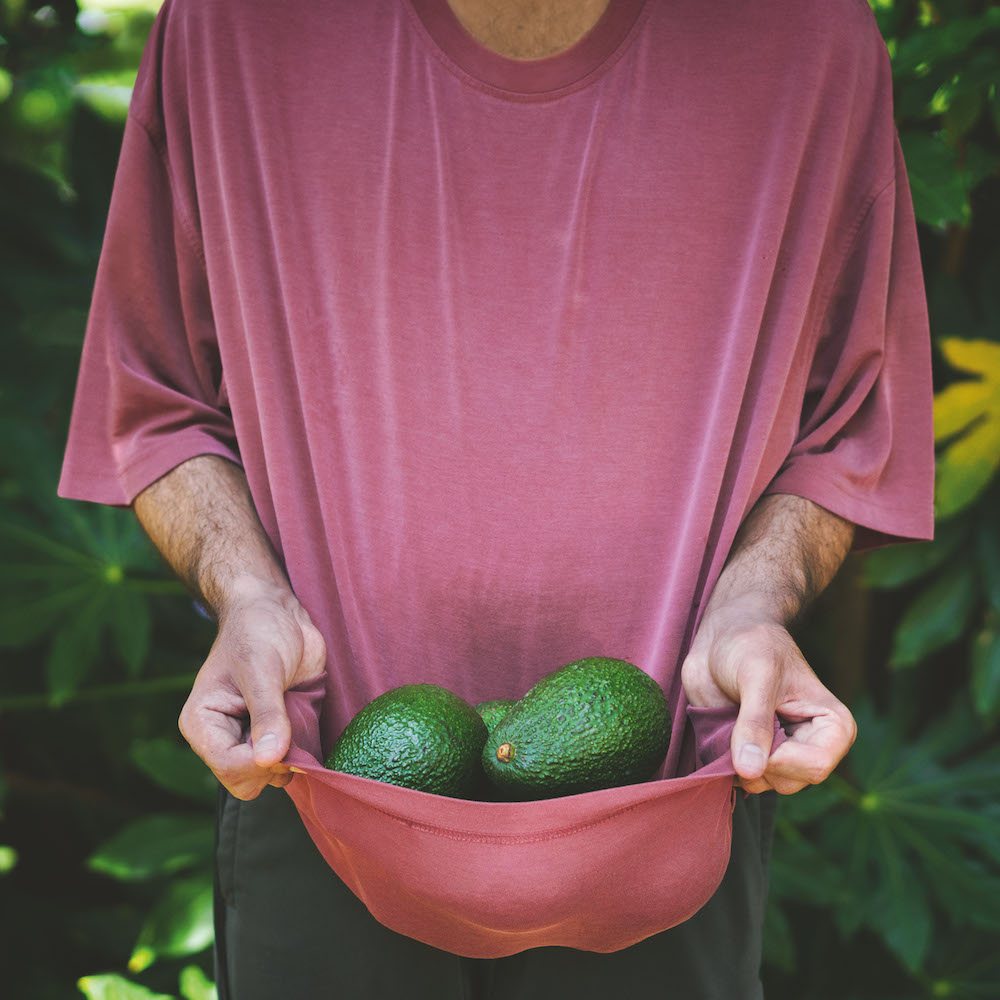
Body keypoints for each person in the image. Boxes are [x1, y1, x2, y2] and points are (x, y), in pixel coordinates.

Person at [59, 0, 934, 996]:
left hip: (664, 811)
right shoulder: (230, 29)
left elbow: (846, 431)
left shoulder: (808, 39)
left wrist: (754, 603)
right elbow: (157, 404)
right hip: (315, 785)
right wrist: (250, 598)